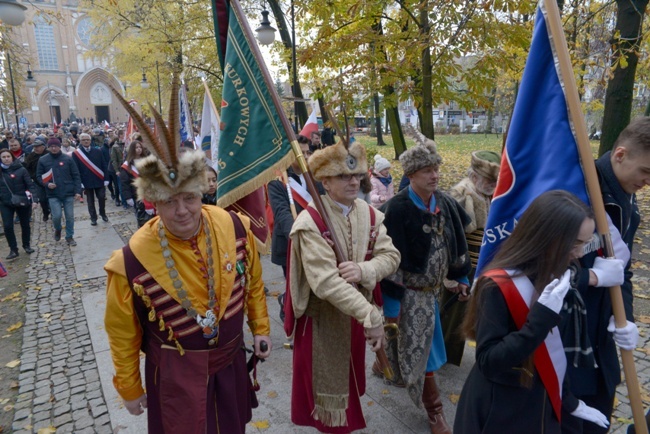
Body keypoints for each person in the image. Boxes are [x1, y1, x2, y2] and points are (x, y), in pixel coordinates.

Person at [104, 88, 271, 433]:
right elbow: (122, 335)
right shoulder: (130, 260)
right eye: (169, 201)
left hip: (229, 363)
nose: (182, 211)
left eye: (189, 198)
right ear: (153, 202)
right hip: (174, 377)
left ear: (201, 192)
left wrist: (261, 329)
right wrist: (130, 388)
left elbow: (253, 283)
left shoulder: (233, 226)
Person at [454, 190, 610, 433]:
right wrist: (540, 319)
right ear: (547, 236)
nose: (580, 253)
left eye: (585, 243)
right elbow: (489, 361)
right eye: (576, 243)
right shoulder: (496, 285)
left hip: (542, 401)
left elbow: (556, 354)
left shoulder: (559, 274)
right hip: (500, 409)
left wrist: (568, 400)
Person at [287, 140, 401, 433]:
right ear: (325, 181)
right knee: (330, 402)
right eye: (343, 176)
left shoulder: (370, 213)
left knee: (350, 390)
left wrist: (364, 269)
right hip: (322, 324)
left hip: (356, 319)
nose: (353, 181)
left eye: (356, 175)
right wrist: (372, 317)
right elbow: (326, 283)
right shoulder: (309, 222)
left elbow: (391, 256)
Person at [377, 139, 471, 434]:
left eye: (436, 169)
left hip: (435, 292)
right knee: (423, 352)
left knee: (422, 346)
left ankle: (381, 365)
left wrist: (461, 277)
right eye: (427, 170)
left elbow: (457, 242)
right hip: (411, 296)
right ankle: (435, 412)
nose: (435, 175)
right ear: (412, 174)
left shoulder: (445, 203)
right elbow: (390, 264)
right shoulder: (397, 209)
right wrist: (392, 307)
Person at [562, 117, 648, 434]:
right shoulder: (576, 189)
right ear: (621, 154)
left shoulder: (628, 200)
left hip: (601, 337)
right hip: (568, 336)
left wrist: (626, 318)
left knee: (599, 418)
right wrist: (590, 278)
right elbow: (540, 269)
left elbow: (621, 270)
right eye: (646, 171)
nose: (648, 181)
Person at [441, 150, 500, 366]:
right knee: (452, 314)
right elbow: (448, 238)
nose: (492, 184)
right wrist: (452, 274)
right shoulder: (460, 194)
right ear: (474, 176)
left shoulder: (493, 195)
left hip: (484, 265)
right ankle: (443, 357)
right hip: (461, 264)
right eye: (488, 180)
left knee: (473, 313)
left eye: (495, 180)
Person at [36, 137, 82, 246]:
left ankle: (69, 236)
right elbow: (38, 176)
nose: (54, 148)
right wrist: (46, 184)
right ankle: (58, 228)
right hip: (53, 193)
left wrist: (78, 191)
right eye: (51, 146)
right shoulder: (43, 160)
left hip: (68, 191)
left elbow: (76, 175)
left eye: (56, 146)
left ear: (59, 146)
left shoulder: (68, 159)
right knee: (56, 216)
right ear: (48, 147)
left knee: (69, 216)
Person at [0, 149, 38, 259]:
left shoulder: (21, 169)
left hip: (21, 200)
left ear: (12, 157)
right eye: (4, 157)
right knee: (7, 226)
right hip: (5, 202)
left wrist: (34, 200)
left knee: (25, 224)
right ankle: (13, 249)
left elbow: (30, 185)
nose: (6, 159)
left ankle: (26, 245)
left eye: (8, 156)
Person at [72, 133, 109, 225]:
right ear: (80, 141)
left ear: (90, 141)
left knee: (101, 197)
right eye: (84, 140)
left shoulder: (98, 151)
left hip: (99, 179)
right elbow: (75, 169)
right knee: (90, 201)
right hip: (86, 180)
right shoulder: (76, 153)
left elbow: (104, 165)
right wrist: (80, 182)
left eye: (87, 139)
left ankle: (103, 213)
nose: (86, 141)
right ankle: (93, 218)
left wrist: (106, 179)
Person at [119, 139, 153, 227]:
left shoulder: (147, 160)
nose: (138, 149)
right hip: (137, 195)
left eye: (140, 147)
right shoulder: (127, 165)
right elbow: (124, 183)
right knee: (142, 217)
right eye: (136, 147)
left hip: (150, 193)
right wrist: (128, 197)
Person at [23, 138, 50, 221]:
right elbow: (27, 168)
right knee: (42, 199)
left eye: (38, 146)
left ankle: (53, 212)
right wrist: (33, 176)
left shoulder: (49, 154)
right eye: (34, 147)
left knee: (51, 198)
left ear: (43, 147)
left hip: (49, 179)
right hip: (37, 181)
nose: (36, 148)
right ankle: (46, 212)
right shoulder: (31, 156)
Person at [109, 132, 125, 206]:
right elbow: (113, 160)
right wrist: (116, 170)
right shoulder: (115, 147)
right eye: (123, 134)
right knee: (116, 184)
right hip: (115, 168)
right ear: (119, 136)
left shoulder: (126, 145)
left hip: (124, 167)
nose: (124, 136)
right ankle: (117, 199)